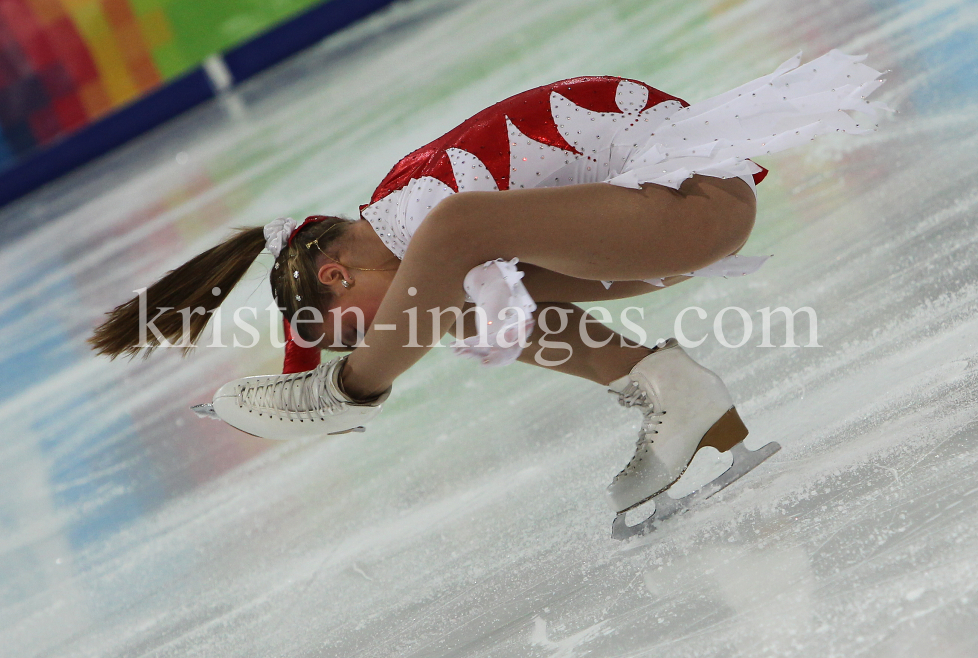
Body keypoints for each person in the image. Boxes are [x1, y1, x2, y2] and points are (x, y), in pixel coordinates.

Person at [90, 50, 888, 521]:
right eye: (359, 349)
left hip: (690, 201)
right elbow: (448, 298)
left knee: (458, 247)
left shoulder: (417, 214)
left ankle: (352, 392)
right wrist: (279, 388)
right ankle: (672, 387)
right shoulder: (408, 226)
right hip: (664, 219)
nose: (384, 328)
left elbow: (453, 236)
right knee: (476, 310)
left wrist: (349, 384)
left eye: (355, 329)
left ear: (337, 274)